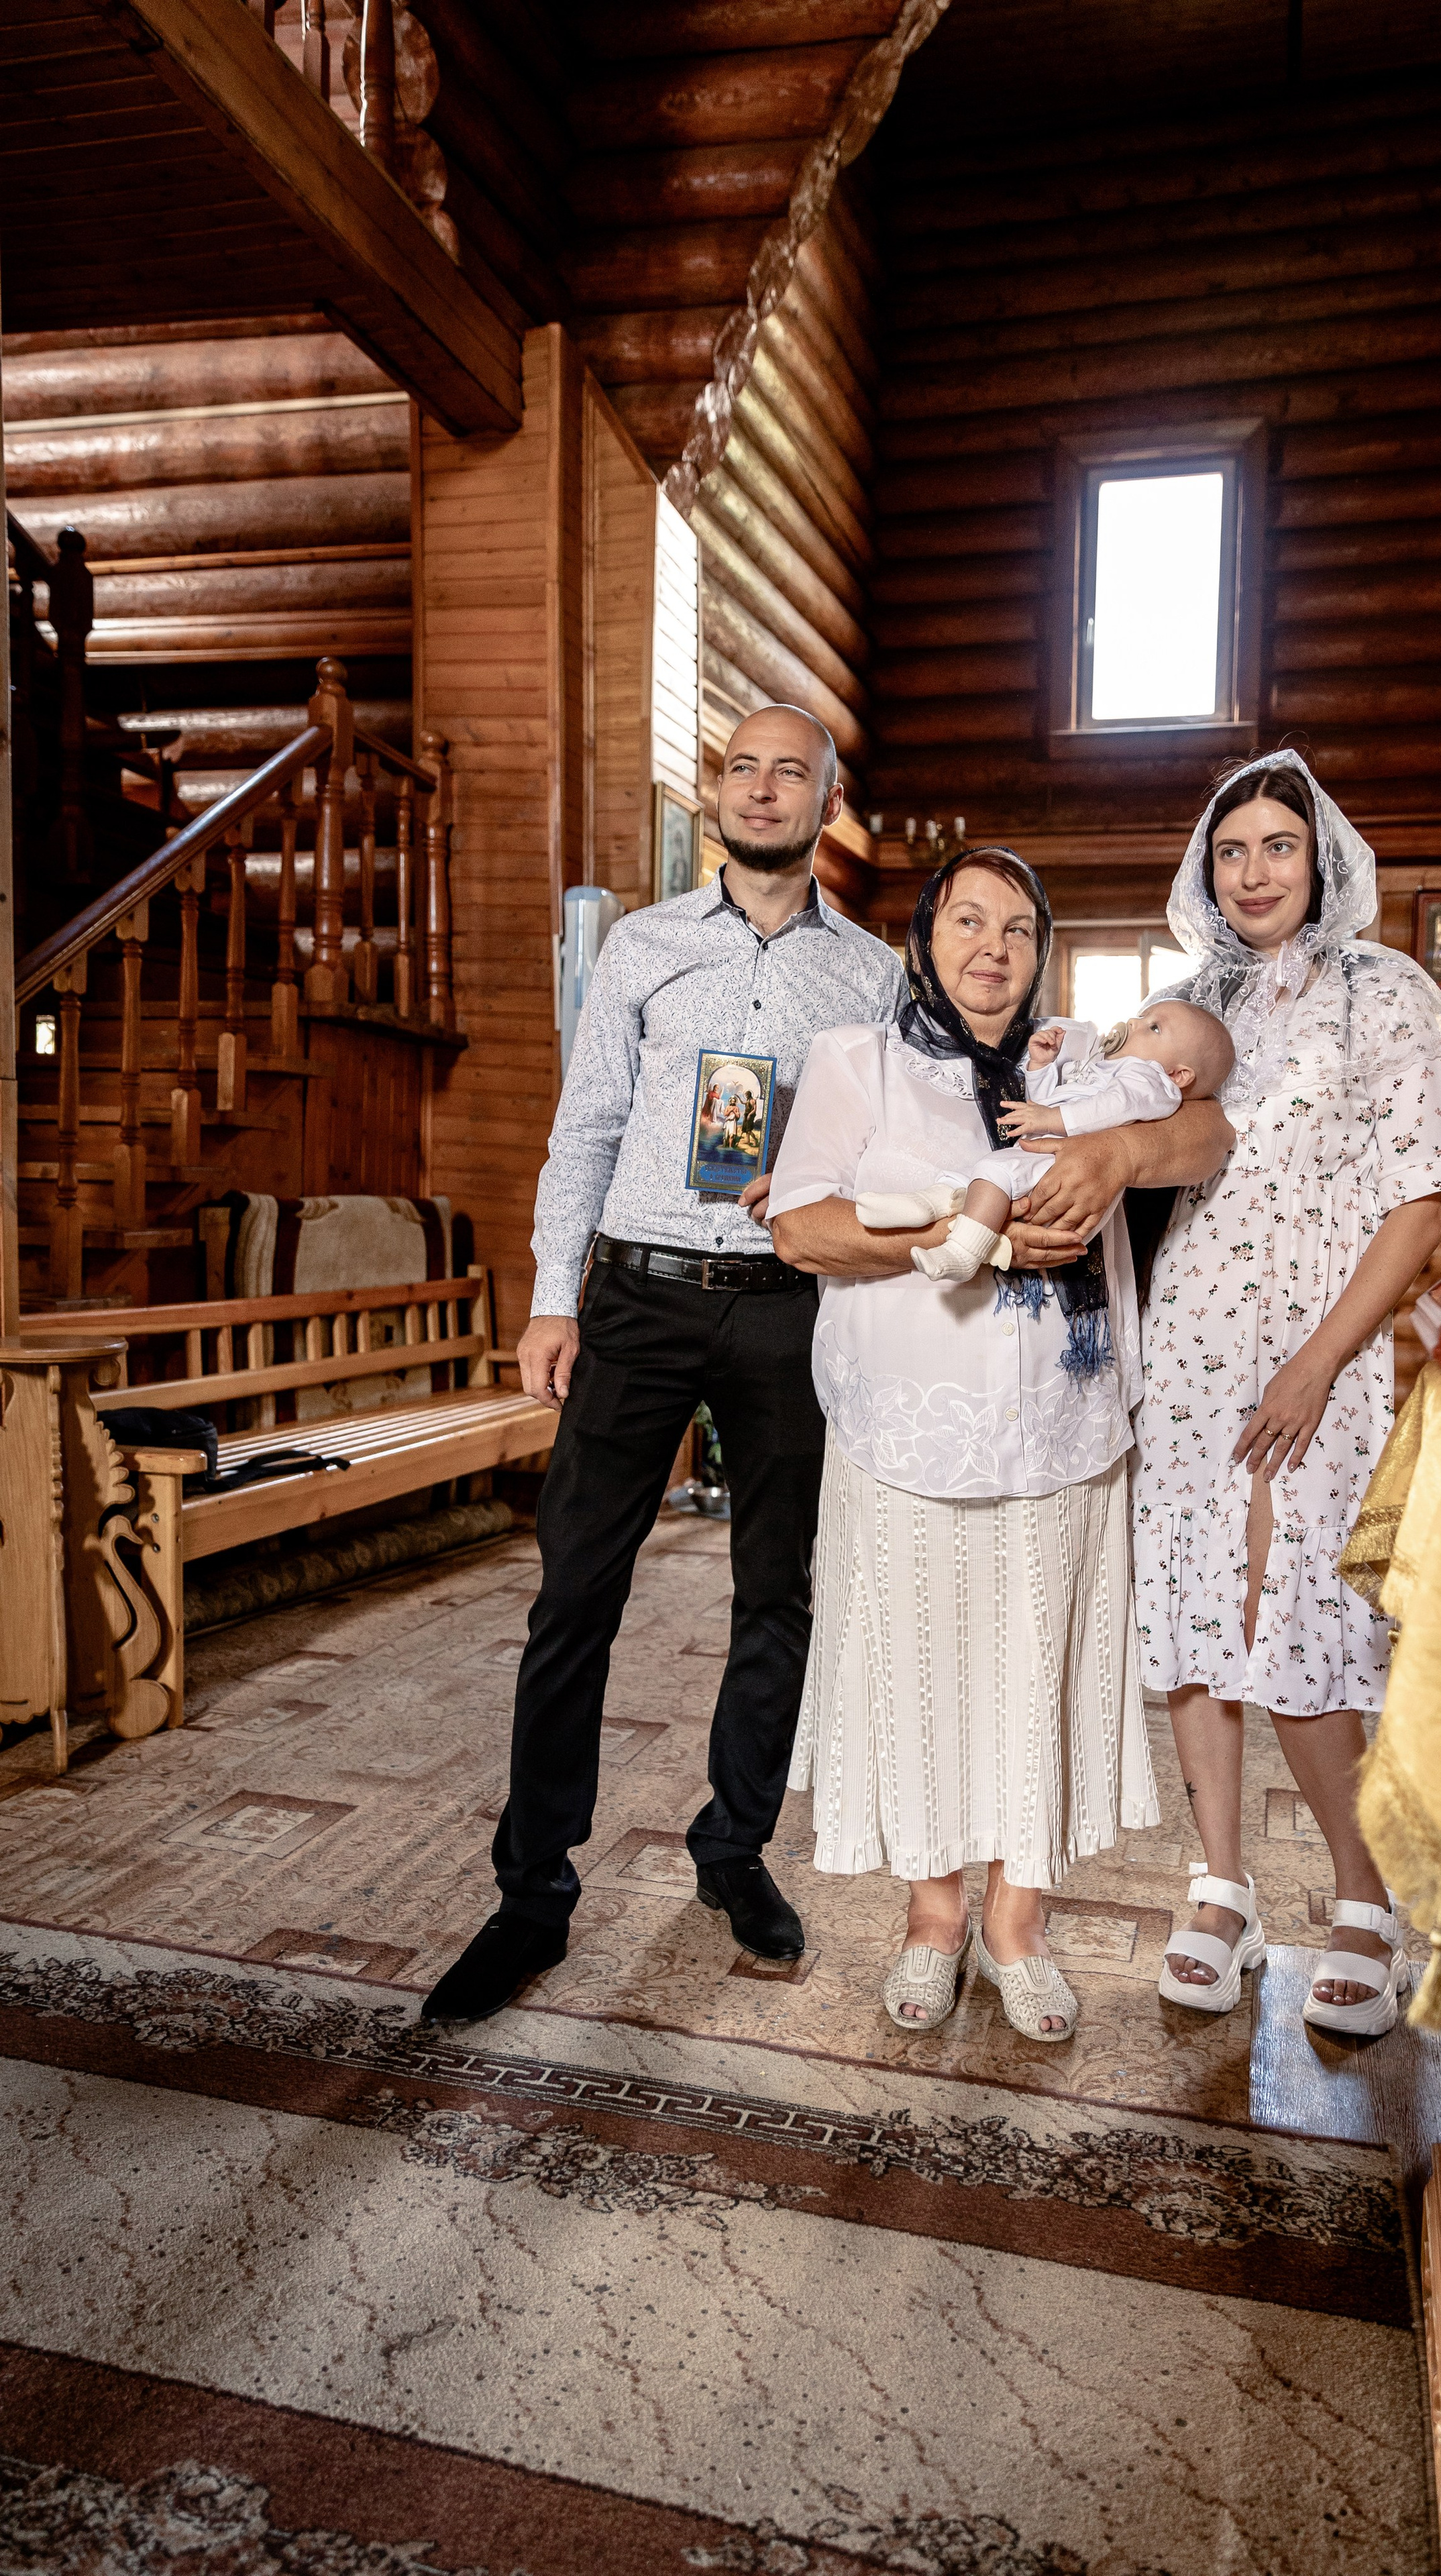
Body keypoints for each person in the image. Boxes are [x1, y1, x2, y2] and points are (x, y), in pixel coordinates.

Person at [421, 704, 906, 2027]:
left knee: (776, 1595)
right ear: (718, 795)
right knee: (572, 1593)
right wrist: (548, 1301)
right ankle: (530, 1897)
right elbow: (582, 1130)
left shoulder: (868, 977)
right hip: (633, 1301)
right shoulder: (639, 946)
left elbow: (886, 1157)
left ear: (823, 799)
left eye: (787, 772)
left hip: (784, 1313)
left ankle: (731, 1852)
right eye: (741, 769)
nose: (761, 790)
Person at [769, 849, 1232, 2041]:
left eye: (1018, 930)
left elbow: (1207, 1135)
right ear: (923, 939)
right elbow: (804, 1226)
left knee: (1037, 1676)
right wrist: (960, 1230)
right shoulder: (856, 1061)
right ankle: (933, 1922)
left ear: (1042, 952)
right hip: (909, 1433)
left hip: (1065, 1437)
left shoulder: (1080, 1062)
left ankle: (1017, 1926)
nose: (992, 948)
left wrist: (1113, 1153)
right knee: (926, 1675)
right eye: (966, 922)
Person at [1133, 751, 1441, 2038]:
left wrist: (1321, 1360)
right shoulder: (1192, 1003)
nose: (1255, 871)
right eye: (1233, 852)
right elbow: (1114, 1131)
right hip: (1192, 1360)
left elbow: (1424, 1198)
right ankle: (1221, 1888)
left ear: (1320, 860)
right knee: (1197, 1613)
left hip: (1311, 1365)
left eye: (1279, 846)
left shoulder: (1380, 993)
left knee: (1300, 1631)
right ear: (1208, 875)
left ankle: (1360, 1895)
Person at [857, 996, 1234, 1281]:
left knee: (994, 1172)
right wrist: (1041, 1068)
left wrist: (1049, 1117)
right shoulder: (1109, 1070)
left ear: (1180, 1074)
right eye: (1143, 1016)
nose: (1135, 1023)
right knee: (980, 1173)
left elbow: (1111, 1109)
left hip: (1062, 1167)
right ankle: (926, 1204)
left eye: (1154, 1028)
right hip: (1048, 1151)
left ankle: (962, 1253)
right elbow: (1051, 1103)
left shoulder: (1152, 1081)